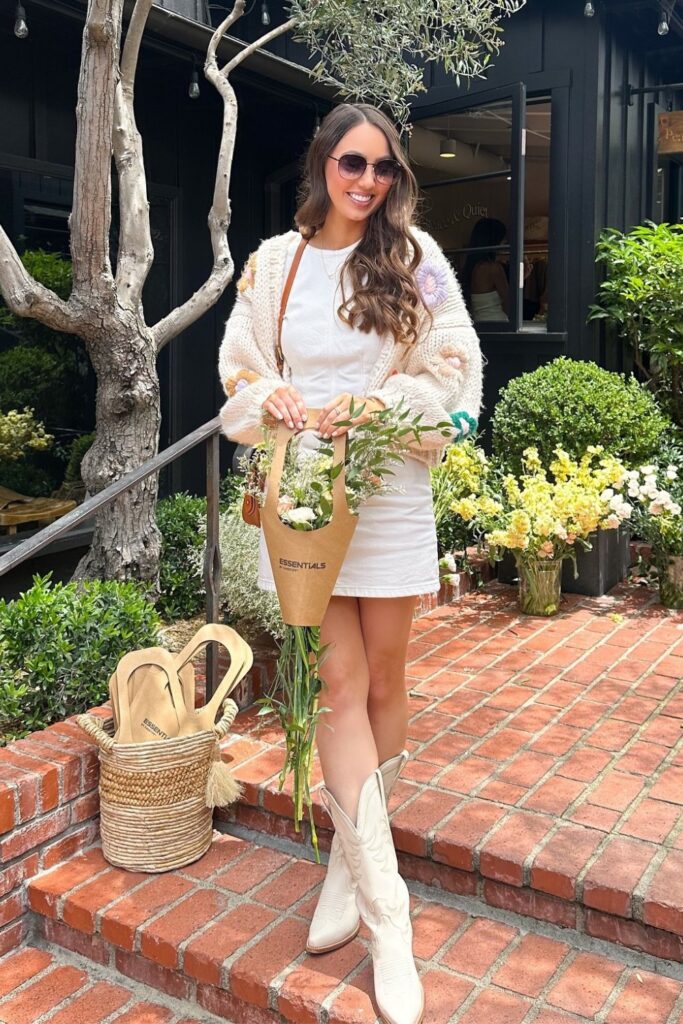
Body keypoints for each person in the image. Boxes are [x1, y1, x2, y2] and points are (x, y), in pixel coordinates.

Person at [218, 102, 482, 1024]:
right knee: (336, 683)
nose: (366, 182)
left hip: (390, 495)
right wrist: (275, 395)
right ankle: (389, 916)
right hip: (304, 503)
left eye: (380, 168)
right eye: (351, 164)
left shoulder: (414, 260)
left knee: (383, 682)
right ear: (322, 164)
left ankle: (346, 862)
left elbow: (454, 364)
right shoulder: (272, 263)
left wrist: (389, 405)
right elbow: (237, 369)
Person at [461, 217, 509, 322]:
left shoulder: (470, 266)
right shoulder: (493, 268)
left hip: (480, 325)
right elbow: (510, 305)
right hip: (498, 325)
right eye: (503, 241)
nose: (504, 245)